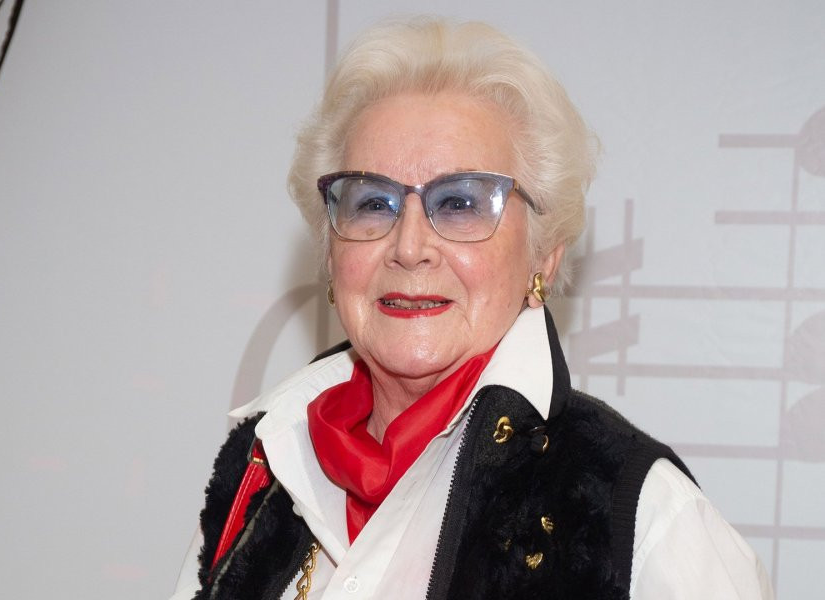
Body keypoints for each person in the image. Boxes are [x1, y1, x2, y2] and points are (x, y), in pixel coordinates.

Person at [170, 18, 773, 600]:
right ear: (331, 251)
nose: (409, 246)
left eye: (459, 203)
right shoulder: (261, 470)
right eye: (373, 203)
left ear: (544, 257)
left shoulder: (645, 521)